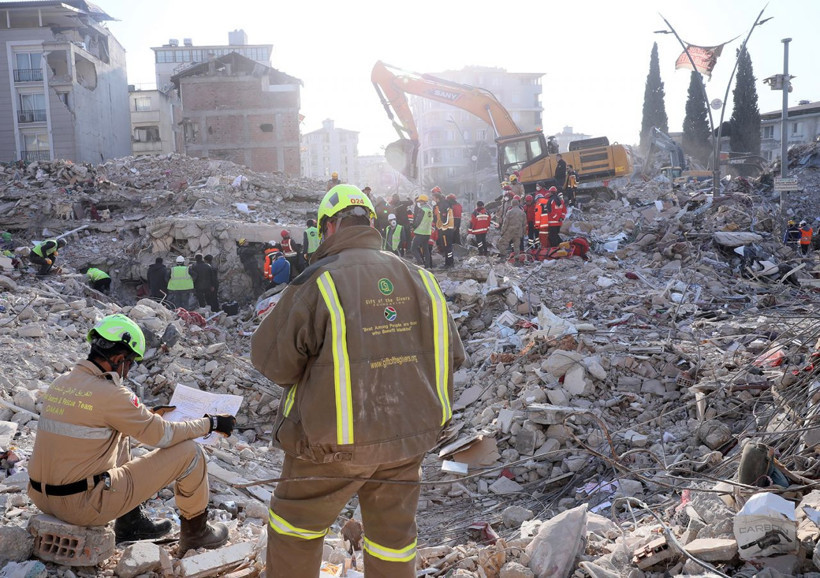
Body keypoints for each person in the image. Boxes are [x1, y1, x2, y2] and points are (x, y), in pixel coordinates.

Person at [250, 184, 466, 578]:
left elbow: (273, 362)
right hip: (408, 438)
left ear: (329, 226)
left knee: (293, 524)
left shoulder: (319, 280)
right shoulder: (422, 279)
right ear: (371, 223)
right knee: (393, 539)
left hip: (334, 444)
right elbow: (452, 355)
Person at [27, 314, 234, 550]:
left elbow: (97, 415)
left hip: (42, 498)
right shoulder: (113, 394)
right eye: (131, 362)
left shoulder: (61, 383)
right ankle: (197, 533)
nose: (129, 369)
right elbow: (162, 436)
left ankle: (130, 521)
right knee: (191, 452)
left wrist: (147, 414)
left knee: (121, 431)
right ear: (118, 359)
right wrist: (211, 423)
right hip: (81, 507)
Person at [498, 196, 526, 261]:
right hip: (518, 232)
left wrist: (502, 232)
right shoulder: (522, 213)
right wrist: (523, 233)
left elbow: (505, 223)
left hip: (510, 231)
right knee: (517, 246)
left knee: (501, 243)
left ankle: (503, 257)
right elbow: (524, 224)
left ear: (512, 204)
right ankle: (517, 259)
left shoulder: (509, 212)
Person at [411, 194, 433, 269]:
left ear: (422, 201)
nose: (419, 202)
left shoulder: (422, 210)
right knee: (426, 249)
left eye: (420, 201)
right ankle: (428, 266)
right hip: (427, 233)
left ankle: (420, 263)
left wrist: (413, 226)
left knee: (413, 248)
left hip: (420, 232)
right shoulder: (430, 210)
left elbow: (418, 221)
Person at [436, 193, 455, 268]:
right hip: (447, 228)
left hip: (445, 229)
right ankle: (449, 262)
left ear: (437, 198)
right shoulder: (446, 204)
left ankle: (448, 263)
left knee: (447, 246)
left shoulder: (443, 205)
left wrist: (443, 225)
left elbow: (444, 218)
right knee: (447, 246)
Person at [533, 184, 550, 248]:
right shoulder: (548, 202)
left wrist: (537, 225)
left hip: (542, 224)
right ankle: (549, 247)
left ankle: (544, 248)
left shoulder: (538, 204)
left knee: (543, 237)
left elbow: (537, 216)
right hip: (549, 223)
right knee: (548, 236)